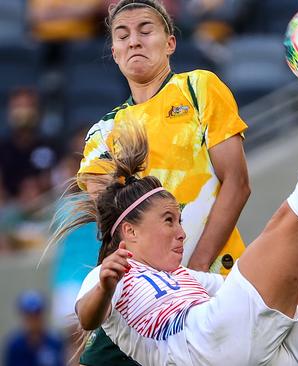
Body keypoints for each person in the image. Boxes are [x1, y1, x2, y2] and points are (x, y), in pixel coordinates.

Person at [52, 36, 298, 366]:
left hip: (263, 353)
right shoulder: (110, 277)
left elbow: (252, 293)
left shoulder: (189, 280)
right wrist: (105, 284)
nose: (182, 232)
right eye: (170, 221)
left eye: (178, 219)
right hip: (212, 346)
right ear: (130, 231)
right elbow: (88, 314)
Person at [76, 0, 250, 363]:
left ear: (170, 43)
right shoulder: (102, 133)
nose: (134, 41)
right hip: (139, 295)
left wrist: (196, 269)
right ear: (114, 51)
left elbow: (237, 183)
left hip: (214, 279)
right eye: (122, 35)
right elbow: (110, 219)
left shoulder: (199, 89)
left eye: (145, 30)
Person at [3, 290, 65, 366]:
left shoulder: (55, 342)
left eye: (36, 315)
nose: (33, 320)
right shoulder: (14, 346)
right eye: (29, 316)